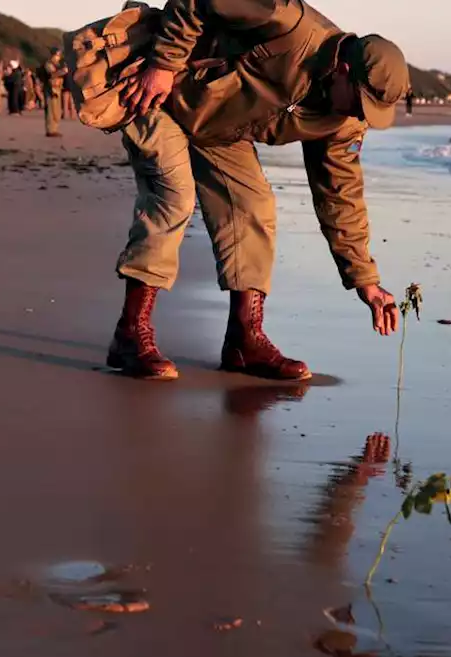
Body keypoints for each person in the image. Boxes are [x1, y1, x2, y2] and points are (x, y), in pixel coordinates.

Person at [105, 0, 410, 381]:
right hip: (157, 93)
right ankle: (130, 335)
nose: (360, 116)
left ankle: (244, 342)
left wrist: (365, 279)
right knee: (174, 194)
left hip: (220, 130)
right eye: (362, 103)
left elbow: (339, 196)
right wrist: (164, 64)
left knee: (254, 206)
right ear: (343, 71)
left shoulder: (342, 122)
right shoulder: (285, 20)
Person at [41, 49, 67, 136]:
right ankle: (50, 130)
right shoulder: (49, 64)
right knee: (51, 110)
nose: (58, 57)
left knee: (57, 110)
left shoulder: (58, 64)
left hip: (58, 88)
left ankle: (55, 129)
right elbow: (51, 74)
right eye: (57, 55)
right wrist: (62, 71)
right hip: (50, 89)